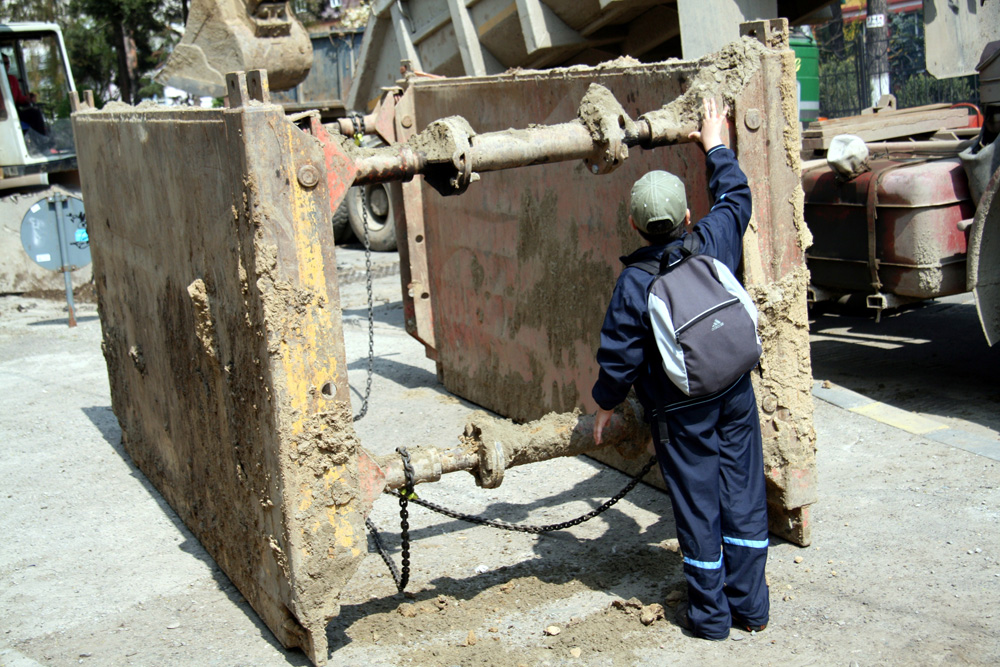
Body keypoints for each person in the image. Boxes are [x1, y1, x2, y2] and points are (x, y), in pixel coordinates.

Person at [591, 97, 769, 641]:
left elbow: (620, 355)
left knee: (698, 508)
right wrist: (715, 145)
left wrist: (604, 403)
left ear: (633, 225)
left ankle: (711, 619)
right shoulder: (712, 241)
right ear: (689, 216)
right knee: (743, 495)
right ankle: (751, 607)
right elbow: (736, 197)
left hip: (681, 412)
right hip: (735, 390)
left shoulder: (634, 283)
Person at [3, 53, 46, 136]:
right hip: (4, 114)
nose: (7, 65)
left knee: (35, 113)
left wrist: (28, 99)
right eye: (4, 63)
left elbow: (19, 99)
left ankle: (41, 139)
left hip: (14, 111)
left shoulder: (12, 79)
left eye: (8, 63)